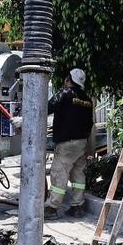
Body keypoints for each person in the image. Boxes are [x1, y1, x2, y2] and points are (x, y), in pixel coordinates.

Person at [44, 69, 95, 219]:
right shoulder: (87, 99)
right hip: (82, 143)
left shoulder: (65, 93)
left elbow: (46, 108)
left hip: (66, 144)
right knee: (78, 174)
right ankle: (77, 206)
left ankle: (52, 207)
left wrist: (24, 118)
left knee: (59, 173)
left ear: (68, 79)